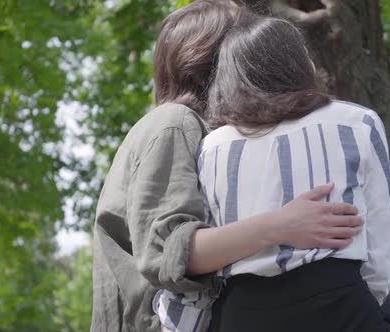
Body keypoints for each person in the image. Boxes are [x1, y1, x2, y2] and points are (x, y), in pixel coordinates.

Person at [90, 1, 364, 331]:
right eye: (242, 46)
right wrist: (280, 225)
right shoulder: (174, 123)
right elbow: (168, 253)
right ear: (211, 63)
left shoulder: (216, 139)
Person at [157, 13, 390, 332]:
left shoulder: (211, 145)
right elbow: (379, 254)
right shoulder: (356, 122)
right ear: (300, 64)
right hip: (337, 304)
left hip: (242, 313)